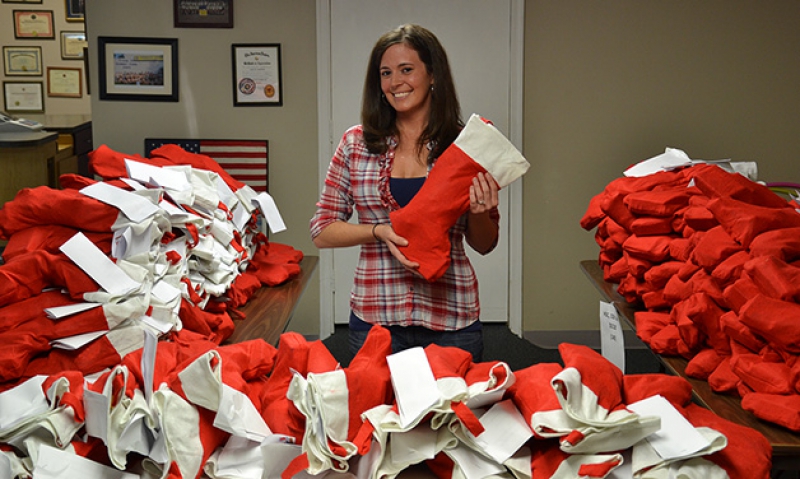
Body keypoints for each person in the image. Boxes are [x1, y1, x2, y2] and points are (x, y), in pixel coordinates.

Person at [309, 23, 500, 362]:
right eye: (385, 73)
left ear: (433, 75)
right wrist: (378, 231)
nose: (395, 82)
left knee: (453, 415)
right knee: (373, 413)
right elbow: (322, 230)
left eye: (406, 70)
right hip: (374, 320)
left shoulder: (467, 146)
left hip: (451, 319)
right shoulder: (355, 143)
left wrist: (480, 211)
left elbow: (484, 244)